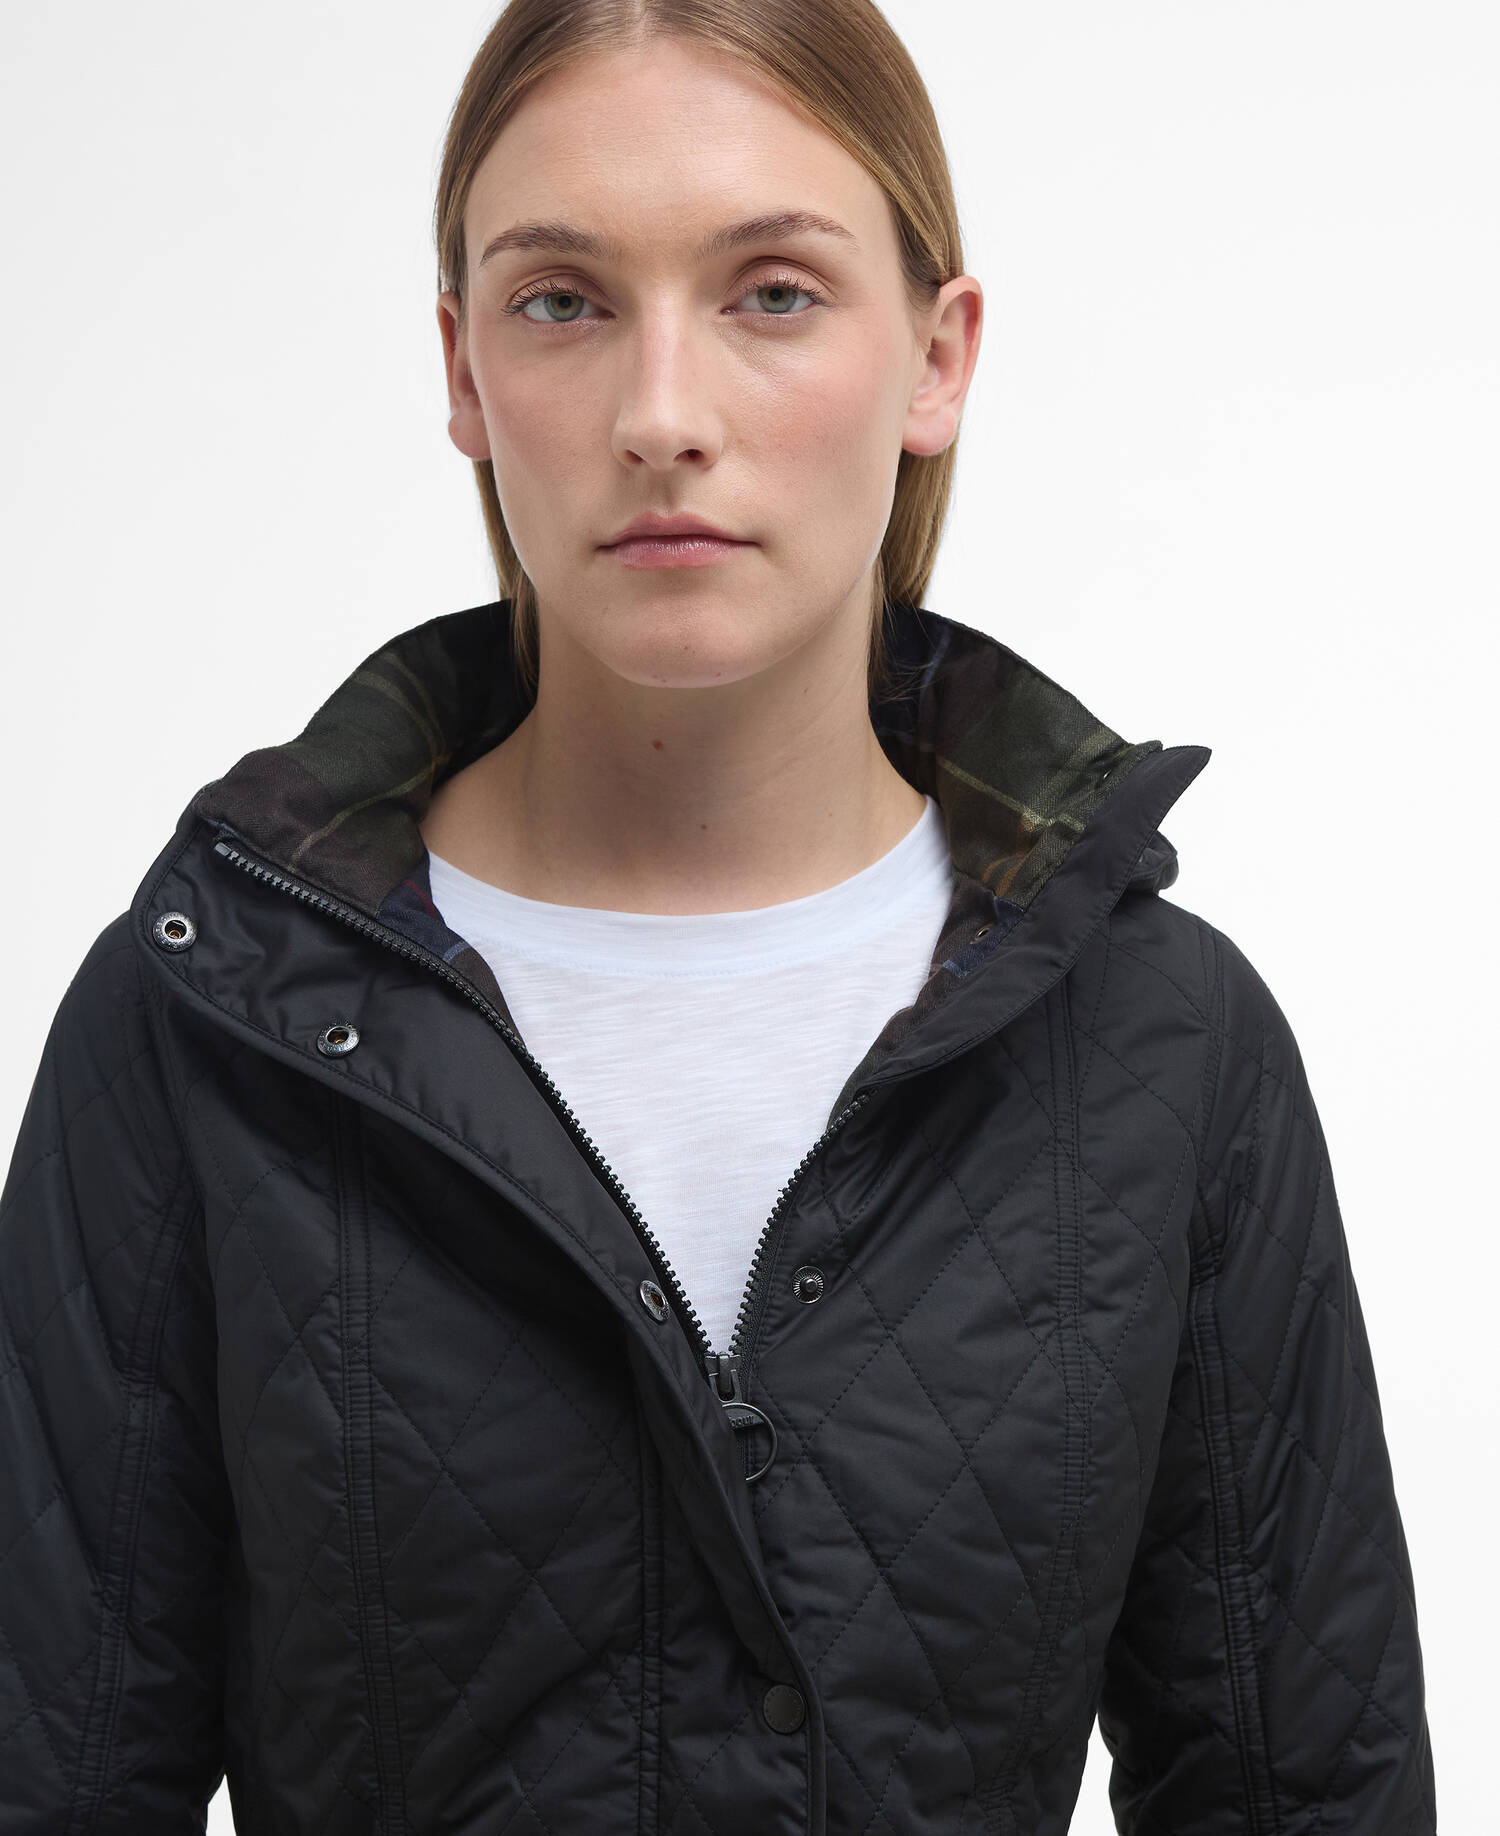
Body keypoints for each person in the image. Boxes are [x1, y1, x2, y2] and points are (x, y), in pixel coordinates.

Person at [0, 1, 1436, 1830]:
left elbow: (1303, 1790)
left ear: (936, 356)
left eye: (772, 292)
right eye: (561, 301)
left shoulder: (1164, 1043)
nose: (661, 416)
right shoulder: (208, 1015)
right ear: (461, 368)